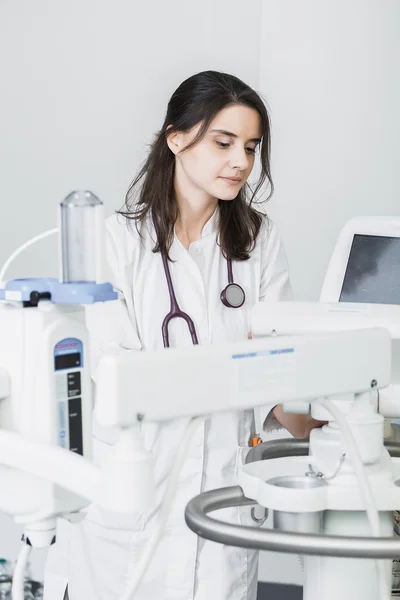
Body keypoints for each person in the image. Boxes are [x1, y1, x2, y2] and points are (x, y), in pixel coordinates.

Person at [44, 70, 325, 600]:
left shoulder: (258, 242)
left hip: (223, 493)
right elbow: (121, 376)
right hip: (132, 501)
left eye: (250, 146)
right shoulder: (115, 242)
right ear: (176, 139)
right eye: (223, 143)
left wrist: (316, 414)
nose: (240, 161)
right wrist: (244, 373)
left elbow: (279, 368)